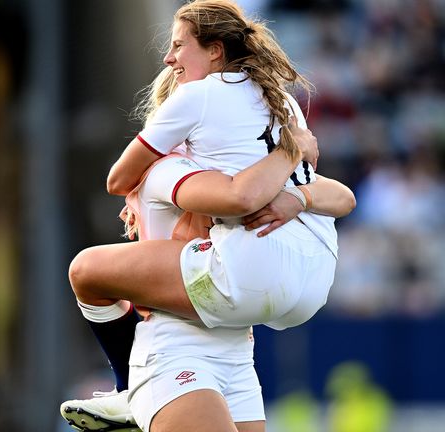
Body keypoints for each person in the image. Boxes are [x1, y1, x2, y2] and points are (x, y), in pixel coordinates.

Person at [60, 1, 356, 431]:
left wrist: (297, 195)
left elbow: (246, 194)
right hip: (177, 347)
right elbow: (246, 196)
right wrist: (292, 156)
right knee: (86, 268)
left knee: (88, 270)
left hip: (235, 345)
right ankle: (127, 385)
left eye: (179, 46)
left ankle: (123, 387)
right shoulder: (173, 169)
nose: (170, 57)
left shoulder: (219, 145)